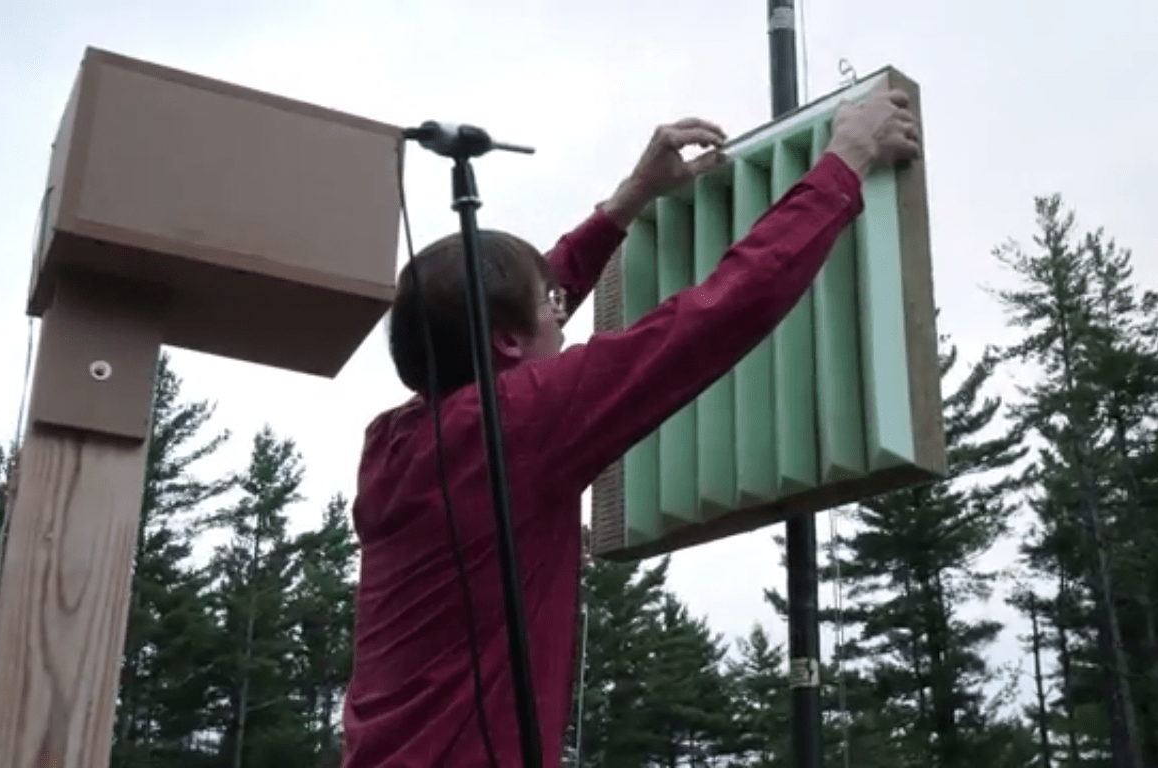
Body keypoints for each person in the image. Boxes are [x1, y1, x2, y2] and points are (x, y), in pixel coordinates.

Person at [342, 86, 923, 767]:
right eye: (552, 307)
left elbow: (514, 304)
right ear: (505, 345)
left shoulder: (394, 441)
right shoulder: (515, 425)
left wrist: (628, 199)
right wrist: (844, 163)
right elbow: (715, 314)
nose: (563, 312)